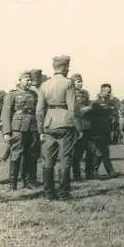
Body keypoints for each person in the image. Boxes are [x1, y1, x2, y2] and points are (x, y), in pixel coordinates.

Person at [36, 55, 80, 200]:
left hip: (49, 123)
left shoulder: (44, 85)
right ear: (64, 67)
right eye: (68, 67)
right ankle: (63, 193)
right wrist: (78, 128)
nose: (68, 69)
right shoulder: (68, 83)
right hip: (65, 122)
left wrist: (40, 130)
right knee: (65, 158)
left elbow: (39, 111)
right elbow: (73, 108)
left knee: (47, 159)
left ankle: (48, 193)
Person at [1, 71, 39, 190]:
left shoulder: (34, 94)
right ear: (20, 80)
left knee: (30, 155)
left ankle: (27, 182)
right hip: (18, 128)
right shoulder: (12, 95)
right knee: (16, 155)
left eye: (30, 80)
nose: (29, 82)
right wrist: (7, 132)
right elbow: (5, 114)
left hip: (32, 127)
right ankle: (13, 184)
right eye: (26, 80)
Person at [70, 73, 100, 181]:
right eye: (78, 81)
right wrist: (88, 108)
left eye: (81, 81)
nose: (81, 83)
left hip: (87, 125)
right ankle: (77, 175)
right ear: (72, 82)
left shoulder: (85, 93)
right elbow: (75, 110)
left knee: (91, 151)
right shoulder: (70, 93)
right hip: (76, 125)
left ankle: (89, 173)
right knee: (77, 152)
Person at [89, 83, 119, 179]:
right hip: (97, 131)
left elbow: (114, 115)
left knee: (104, 151)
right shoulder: (95, 104)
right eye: (107, 91)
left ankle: (103, 171)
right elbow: (92, 118)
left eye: (110, 92)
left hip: (106, 130)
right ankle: (97, 171)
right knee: (101, 151)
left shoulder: (110, 103)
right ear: (101, 91)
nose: (109, 93)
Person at [27, 68, 44, 186]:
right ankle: (28, 179)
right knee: (29, 153)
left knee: (34, 154)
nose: (37, 82)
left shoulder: (39, 91)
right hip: (29, 127)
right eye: (35, 80)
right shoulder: (31, 93)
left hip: (37, 126)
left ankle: (32, 178)